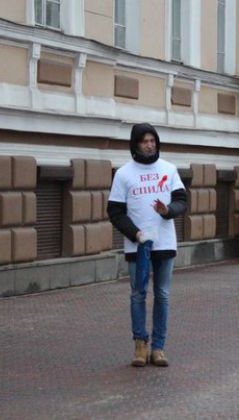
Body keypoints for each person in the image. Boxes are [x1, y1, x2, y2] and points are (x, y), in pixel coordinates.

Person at [107, 123, 187, 367]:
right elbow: (115, 211)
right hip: (138, 244)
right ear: (136, 144)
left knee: (162, 294)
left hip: (164, 242)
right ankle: (140, 345)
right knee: (137, 294)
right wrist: (135, 233)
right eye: (144, 141)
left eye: (152, 141)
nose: (149, 145)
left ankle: (158, 348)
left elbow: (182, 201)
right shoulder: (124, 174)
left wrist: (168, 210)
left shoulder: (169, 169)